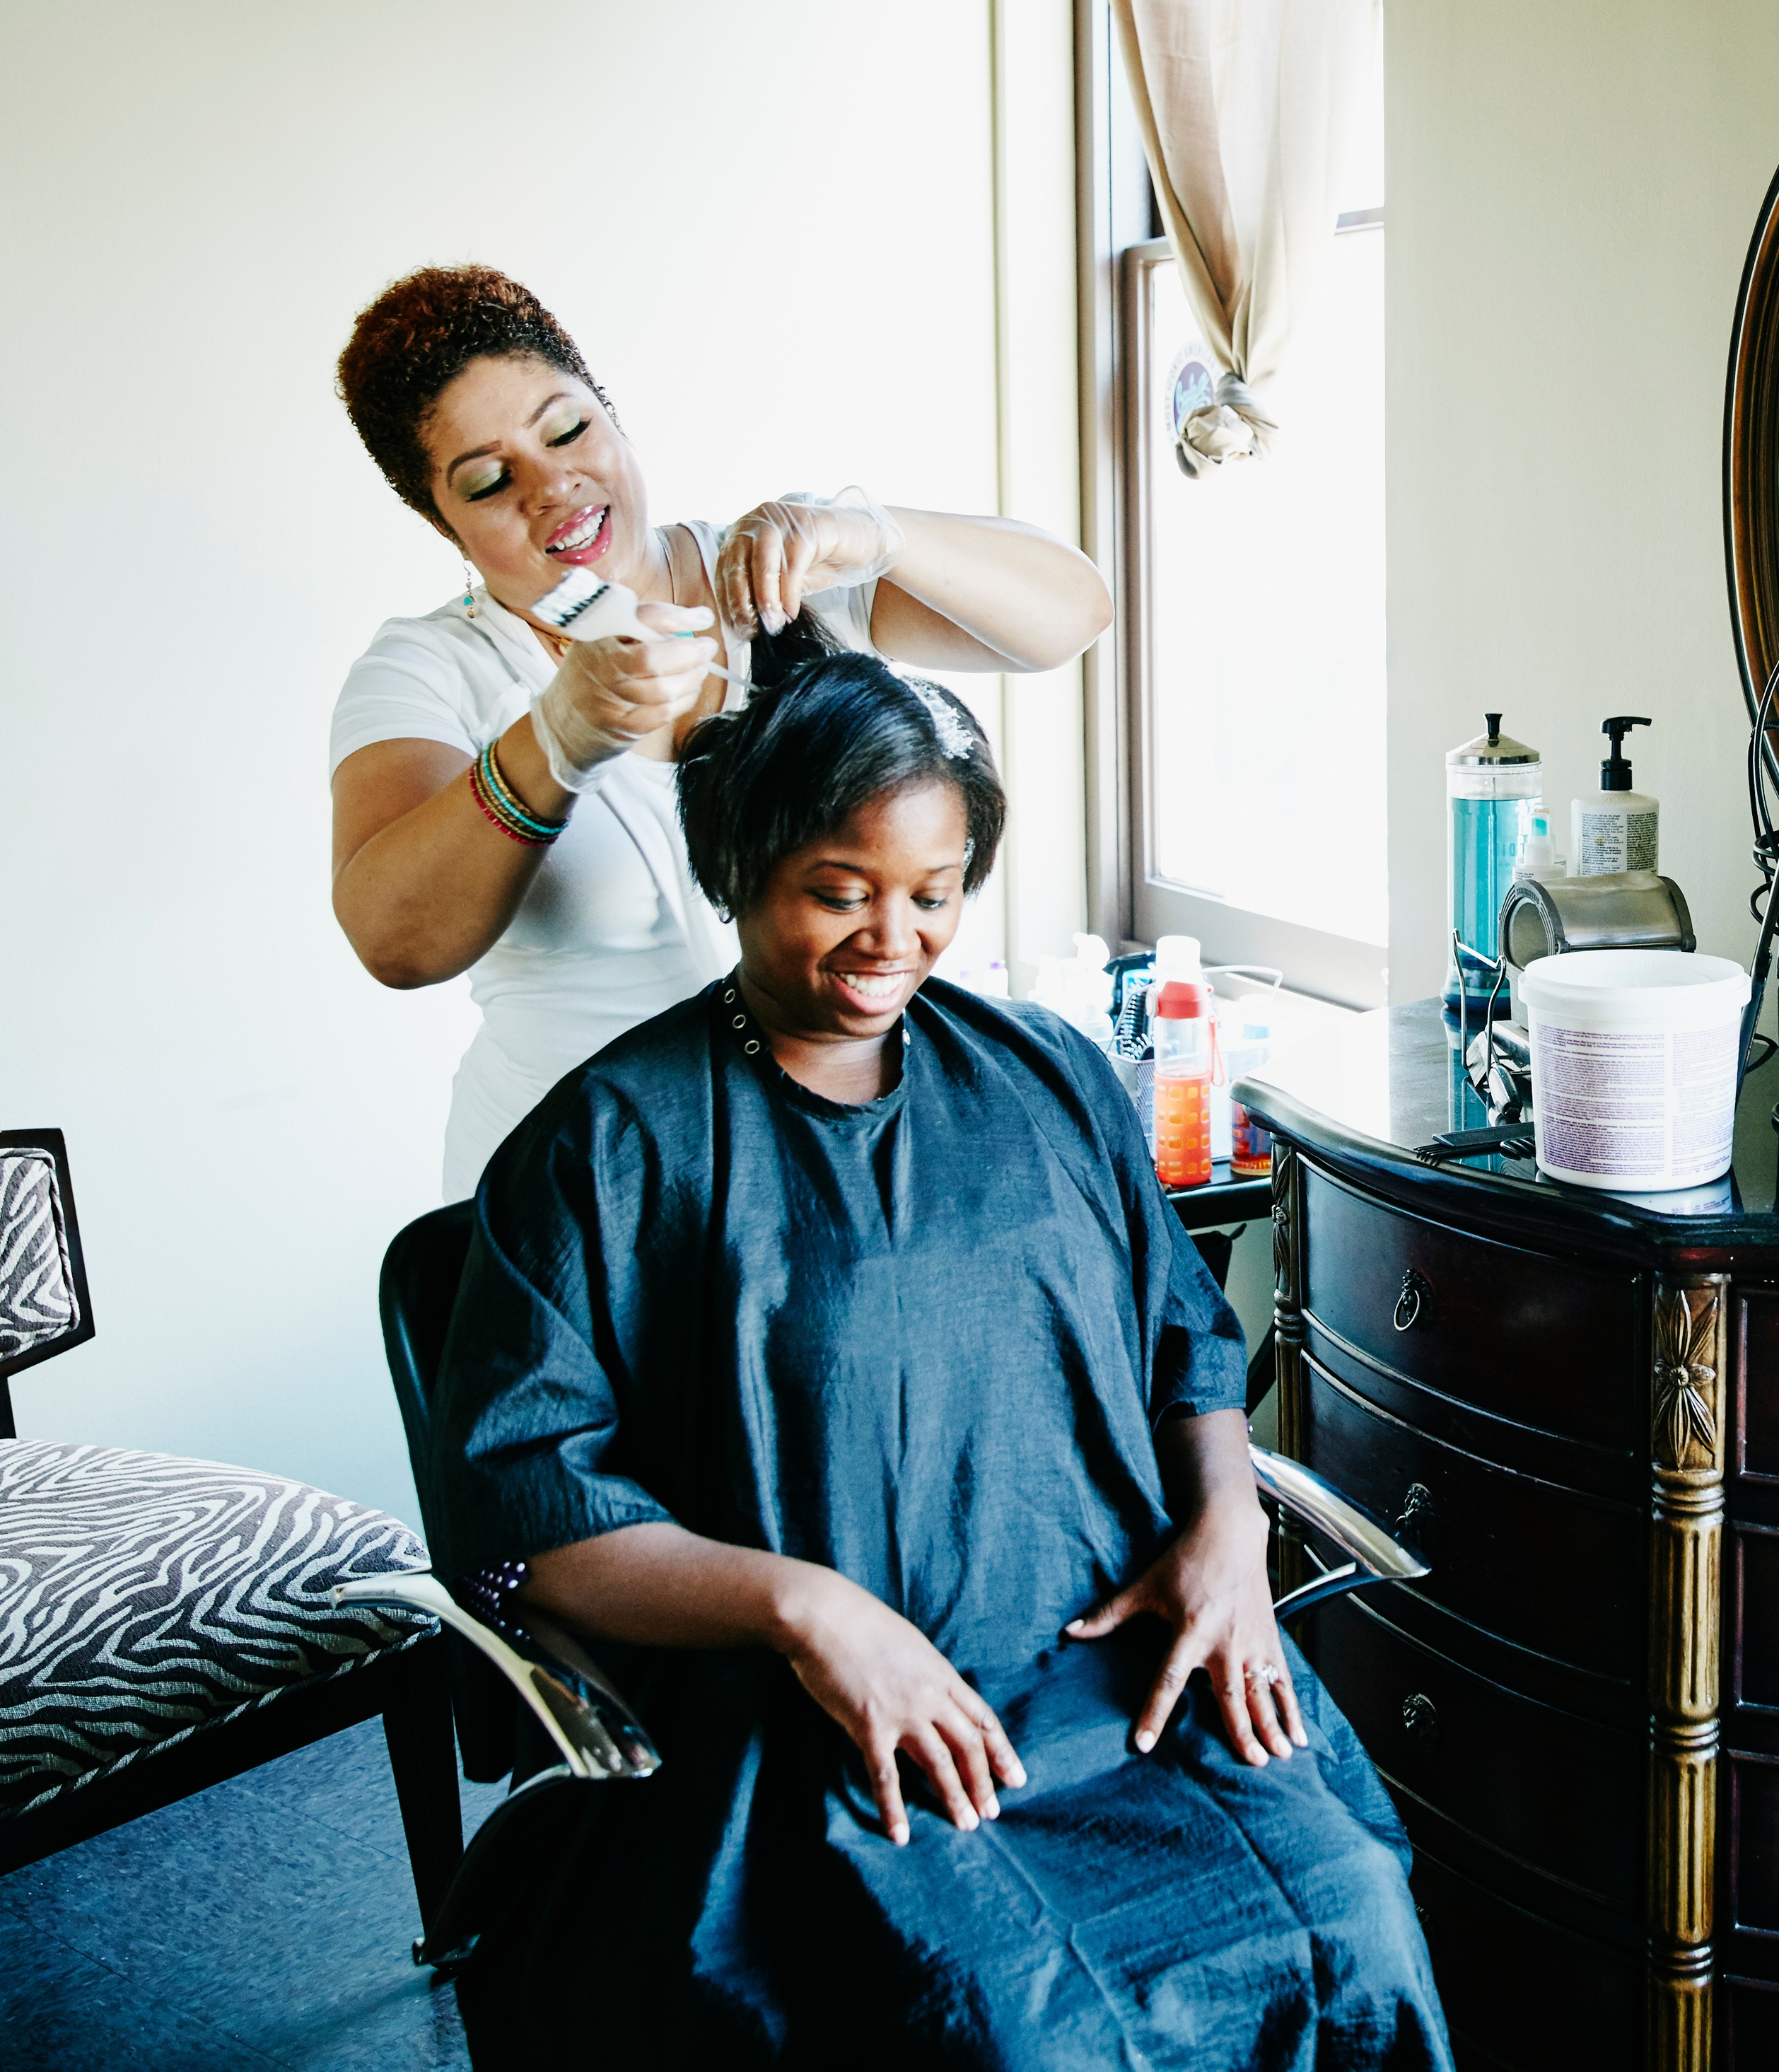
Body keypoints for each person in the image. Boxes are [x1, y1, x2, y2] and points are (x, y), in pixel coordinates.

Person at [428, 624, 1448, 2068]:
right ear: (739, 870)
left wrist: (1227, 1532)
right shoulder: (610, 1147)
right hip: (814, 1719)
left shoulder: (1048, 1074)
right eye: (835, 892)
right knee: (1009, 2021)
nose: (889, 938)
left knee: (1351, 1920)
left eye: (932, 892)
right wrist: (808, 1611)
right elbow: (527, 1518)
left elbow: (1187, 1341)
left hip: (1111, 1666)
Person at [325, 265, 1112, 1199]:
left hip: (808, 1176)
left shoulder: (779, 575)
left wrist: (874, 533)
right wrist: (557, 739)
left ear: (611, 414)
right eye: (491, 481)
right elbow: (397, 943)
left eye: (568, 430)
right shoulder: (430, 670)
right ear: (441, 521)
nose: (554, 486)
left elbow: (1071, 616)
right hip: (580, 1191)